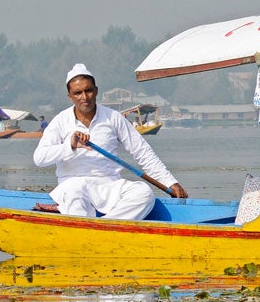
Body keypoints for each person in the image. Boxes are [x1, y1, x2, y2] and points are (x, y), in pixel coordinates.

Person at [34, 64, 187, 218]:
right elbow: (40, 158)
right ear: (70, 96)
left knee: (144, 193)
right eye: (78, 93)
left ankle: (106, 226)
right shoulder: (60, 121)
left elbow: (142, 152)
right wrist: (70, 146)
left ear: (96, 91)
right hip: (73, 185)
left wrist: (170, 182)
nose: (84, 97)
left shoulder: (113, 117)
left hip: (109, 184)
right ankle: (99, 228)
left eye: (88, 90)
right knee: (73, 196)